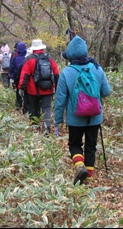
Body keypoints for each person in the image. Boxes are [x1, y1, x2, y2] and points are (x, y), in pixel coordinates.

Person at [54, 36, 111, 185]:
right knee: (91, 147)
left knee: (75, 145)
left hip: (75, 118)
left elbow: (60, 100)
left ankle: (80, 166)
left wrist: (58, 120)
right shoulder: (97, 68)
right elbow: (106, 91)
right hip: (95, 117)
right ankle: (88, 180)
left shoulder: (66, 72)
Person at [18, 39, 60, 136]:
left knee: (34, 108)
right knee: (47, 108)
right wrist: (57, 88)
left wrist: (21, 87)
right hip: (48, 89)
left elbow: (24, 75)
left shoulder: (29, 59)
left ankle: (35, 128)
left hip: (33, 90)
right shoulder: (50, 58)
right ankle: (46, 129)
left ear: (33, 49)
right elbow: (56, 74)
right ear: (42, 48)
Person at [9, 41, 27, 112]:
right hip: (27, 77)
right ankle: (26, 107)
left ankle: (18, 105)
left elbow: (12, 69)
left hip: (18, 77)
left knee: (18, 92)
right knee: (27, 92)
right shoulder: (29, 57)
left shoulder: (16, 58)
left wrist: (11, 78)